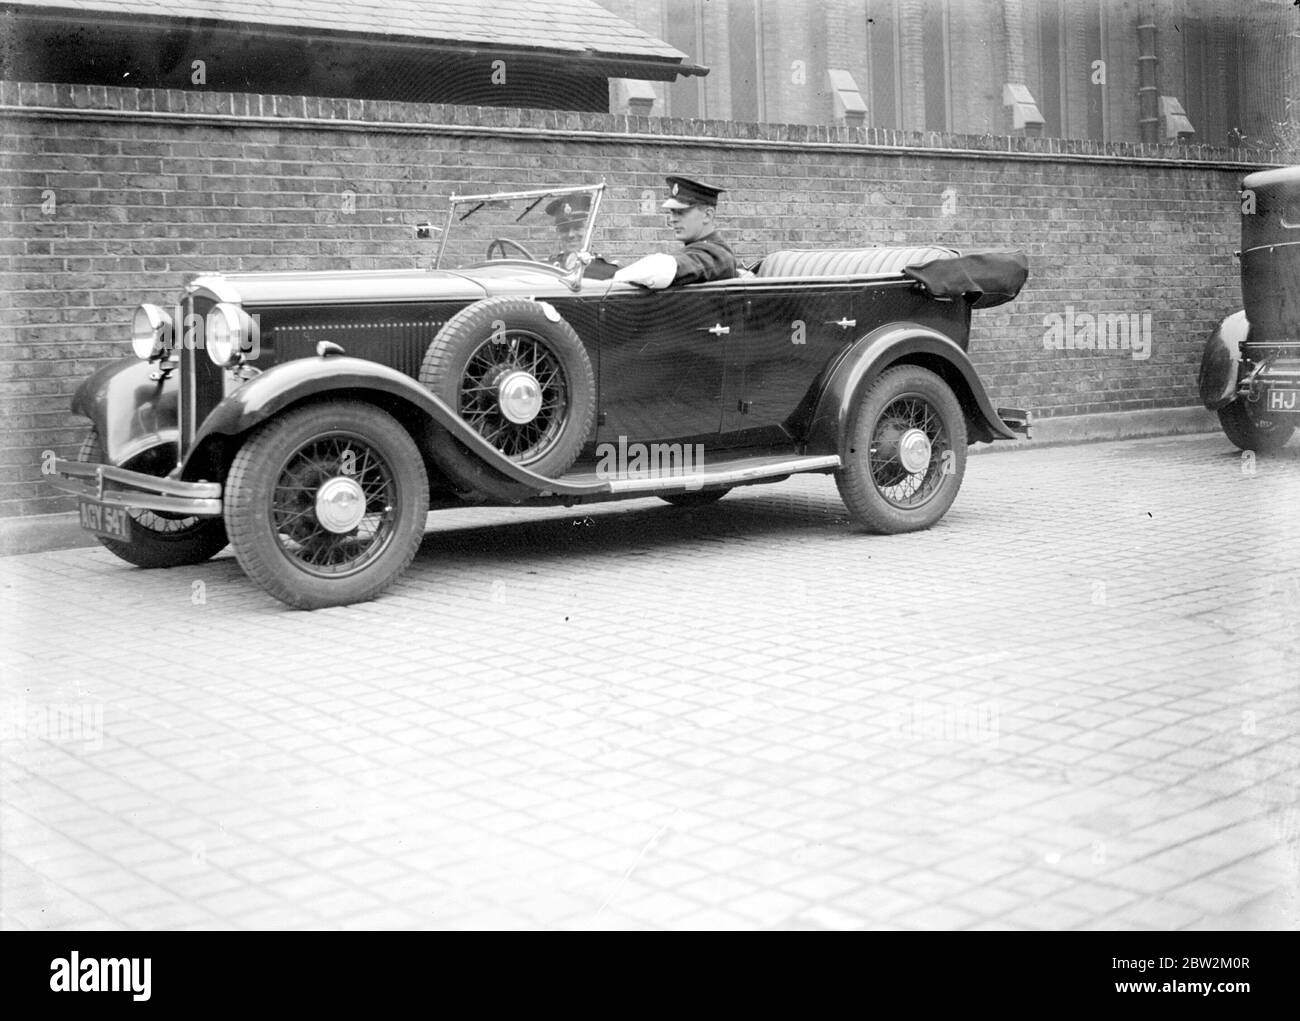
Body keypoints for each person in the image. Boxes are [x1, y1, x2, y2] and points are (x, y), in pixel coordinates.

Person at [613, 176, 737, 288]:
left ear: (707, 215)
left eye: (681, 212)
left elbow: (663, 270)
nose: (672, 220)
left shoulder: (716, 254)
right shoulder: (700, 248)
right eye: (672, 212)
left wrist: (614, 279)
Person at [544, 194, 618, 280]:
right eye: (565, 229)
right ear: (558, 232)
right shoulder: (546, 270)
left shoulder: (609, 273)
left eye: (577, 227)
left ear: (592, 230)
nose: (570, 234)